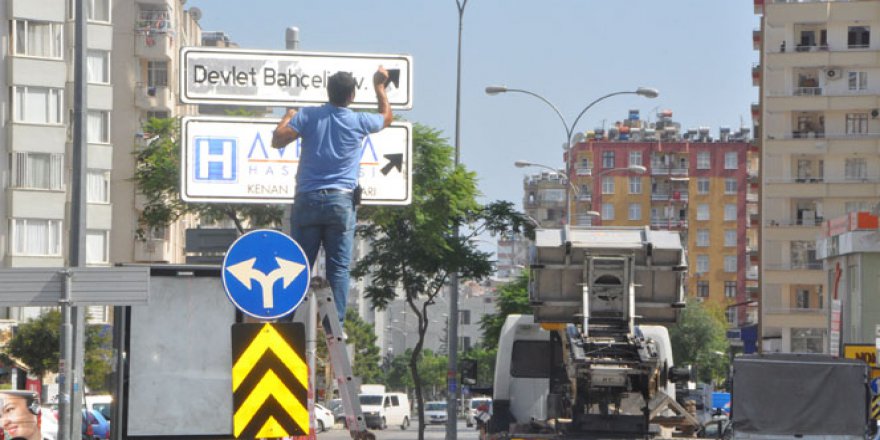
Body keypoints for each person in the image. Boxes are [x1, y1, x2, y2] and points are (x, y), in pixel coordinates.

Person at [272, 67, 393, 325]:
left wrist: (288, 116)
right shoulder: (358, 120)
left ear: (328, 93)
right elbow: (385, 118)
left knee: (298, 265)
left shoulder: (308, 116)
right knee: (338, 268)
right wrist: (380, 87)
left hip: (308, 200)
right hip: (341, 203)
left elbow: (278, 140)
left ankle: (284, 319)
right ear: (351, 95)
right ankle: (334, 324)